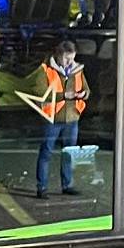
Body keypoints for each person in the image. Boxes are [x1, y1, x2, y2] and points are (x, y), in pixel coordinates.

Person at [35, 41, 88, 198]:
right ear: (58, 56)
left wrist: (84, 94)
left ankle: (67, 185)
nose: (70, 62)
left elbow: (86, 88)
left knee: (69, 153)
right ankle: (42, 187)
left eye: (72, 58)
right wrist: (64, 96)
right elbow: (41, 93)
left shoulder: (77, 70)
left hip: (72, 118)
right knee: (46, 152)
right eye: (66, 59)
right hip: (52, 118)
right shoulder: (45, 70)